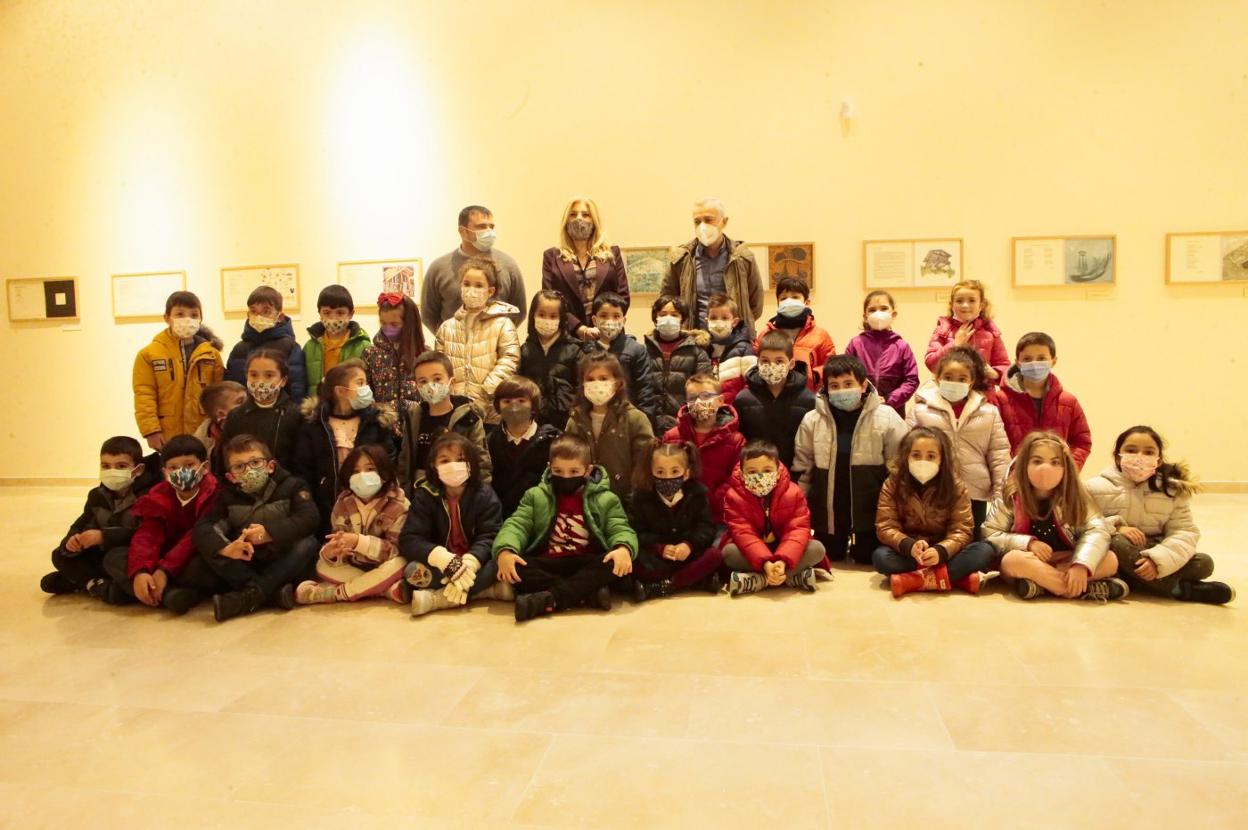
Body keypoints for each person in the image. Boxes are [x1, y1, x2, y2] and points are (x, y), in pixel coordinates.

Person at [492, 434, 638, 622]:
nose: (566, 477)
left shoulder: (606, 499)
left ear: (588, 470)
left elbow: (619, 527)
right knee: (518, 567)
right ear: (549, 468)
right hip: (549, 562)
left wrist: (623, 548)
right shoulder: (535, 496)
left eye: (574, 471)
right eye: (558, 471)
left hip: (585, 561)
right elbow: (517, 524)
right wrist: (505, 551)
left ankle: (548, 598)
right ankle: (584, 593)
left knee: (611, 563)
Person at [1086, 426, 1234, 604]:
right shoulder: (1094, 487)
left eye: (1148, 452)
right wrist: (1117, 527)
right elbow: (1081, 524)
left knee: (1204, 563)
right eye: (1131, 450)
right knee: (1117, 542)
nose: (1139, 457)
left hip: (1155, 549)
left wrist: (1158, 560)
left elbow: (1184, 531)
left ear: (1159, 459)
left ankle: (1138, 582)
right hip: (1116, 555)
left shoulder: (1171, 491)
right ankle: (1180, 589)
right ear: (1117, 455)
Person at [983, 432, 1127, 601]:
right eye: (1037, 461)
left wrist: (1081, 564)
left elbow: (1097, 530)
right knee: (1011, 561)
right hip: (1031, 560)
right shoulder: (1010, 497)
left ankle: (1044, 586)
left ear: (1065, 467)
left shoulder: (1076, 497)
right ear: (1024, 465)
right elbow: (990, 534)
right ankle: (1077, 589)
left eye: (1055, 462)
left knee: (1111, 559)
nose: (1046, 468)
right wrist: (1027, 543)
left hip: (1066, 559)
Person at [794, 355, 908, 564]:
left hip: (870, 511)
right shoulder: (812, 420)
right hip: (828, 513)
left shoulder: (887, 417)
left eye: (848, 384)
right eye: (834, 385)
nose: (841, 390)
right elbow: (803, 467)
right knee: (830, 556)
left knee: (866, 557)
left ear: (863, 385)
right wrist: (800, 505)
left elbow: (899, 466)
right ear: (826, 388)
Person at [194, 434, 319, 621]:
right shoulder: (226, 497)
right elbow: (205, 527)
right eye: (239, 466)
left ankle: (249, 596)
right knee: (209, 550)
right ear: (230, 477)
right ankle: (269, 594)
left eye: (255, 462)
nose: (249, 470)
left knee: (307, 543)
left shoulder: (293, 485)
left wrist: (268, 533)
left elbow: (309, 519)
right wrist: (226, 548)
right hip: (247, 560)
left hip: (282, 559)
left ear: (270, 466)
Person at [99, 435, 221, 613]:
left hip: (191, 556)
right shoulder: (158, 496)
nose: (181, 472)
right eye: (173, 467)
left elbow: (195, 538)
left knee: (202, 567)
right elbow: (148, 535)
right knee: (114, 556)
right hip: (162, 557)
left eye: (189, 465)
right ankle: (170, 595)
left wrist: (164, 570)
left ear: (205, 467)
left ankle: (135, 591)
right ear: (164, 473)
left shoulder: (215, 494)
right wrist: (141, 571)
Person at [873, 427, 997, 597]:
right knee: (881, 557)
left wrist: (941, 550)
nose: (923, 461)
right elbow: (885, 526)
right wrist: (909, 545)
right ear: (906, 456)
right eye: (916, 455)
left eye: (931, 456)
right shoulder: (893, 484)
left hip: (946, 552)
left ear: (942, 459)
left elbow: (962, 529)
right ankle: (954, 578)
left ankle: (915, 580)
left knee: (985, 550)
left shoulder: (956, 486)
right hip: (910, 553)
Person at [401, 433, 512, 616]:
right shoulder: (425, 495)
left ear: (471, 463)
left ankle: (439, 599)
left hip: (476, 563)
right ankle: (484, 591)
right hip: (443, 565)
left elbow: (491, 535)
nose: (453, 465)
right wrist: (443, 559)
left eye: (460, 459)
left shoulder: (484, 494)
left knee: (500, 562)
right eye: (445, 461)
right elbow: (409, 539)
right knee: (412, 571)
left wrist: (470, 562)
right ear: (433, 465)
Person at [40, 436, 162, 597]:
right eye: (106, 466)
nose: (112, 471)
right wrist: (72, 542)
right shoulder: (97, 495)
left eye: (121, 466)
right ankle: (97, 584)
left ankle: (89, 583)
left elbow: (147, 535)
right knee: (59, 555)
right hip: (103, 552)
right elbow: (81, 523)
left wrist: (104, 537)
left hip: (129, 554)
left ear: (138, 469)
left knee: (114, 559)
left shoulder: (150, 496)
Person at [908, 346, 1010, 532]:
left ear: (971, 382)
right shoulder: (920, 411)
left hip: (975, 493)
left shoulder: (990, 413)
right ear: (938, 379)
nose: (955, 382)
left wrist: (999, 496)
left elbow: (999, 455)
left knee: (971, 546)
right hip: (932, 491)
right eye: (948, 377)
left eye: (962, 379)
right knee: (937, 544)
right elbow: (906, 453)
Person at [295, 444, 411, 606]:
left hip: (386, 565)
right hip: (355, 567)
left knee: (401, 562)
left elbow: (395, 551)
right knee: (322, 564)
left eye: (370, 469)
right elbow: (337, 540)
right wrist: (330, 552)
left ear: (383, 473)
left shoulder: (399, 504)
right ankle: (384, 590)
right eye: (355, 472)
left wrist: (359, 542)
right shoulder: (343, 503)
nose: (362, 475)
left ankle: (336, 594)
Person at [294, 359, 399, 528]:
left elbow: (389, 458)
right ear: (341, 391)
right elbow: (304, 467)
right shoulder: (315, 425)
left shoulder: (375, 422)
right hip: (327, 503)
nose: (367, 389)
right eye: (360, 383)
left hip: (370, 501)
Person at [721, 440, 825, 596]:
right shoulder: (733, 496)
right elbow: (742, 533)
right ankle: (792, 577)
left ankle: (759, 581)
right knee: (729, 552)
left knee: (817, 549)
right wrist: (765, 563)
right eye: (752, 472)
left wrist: (783, 561)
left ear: (778, 471)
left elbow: (797, 529)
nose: (760, 476)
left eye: (767, 470)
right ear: (742, 474)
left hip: (785, 550)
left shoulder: (794, 492)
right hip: (753, 552)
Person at [626, 440, 722, 600]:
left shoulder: (697, 494)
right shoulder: (640, 498)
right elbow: (636, 533)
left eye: (674, 471)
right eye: (660, 472)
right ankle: (694, 580)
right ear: (651, 472)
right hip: (657, 557)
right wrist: (660, 548)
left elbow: (706, 528)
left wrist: (689, 545)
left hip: (688, 554)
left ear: (686, 473)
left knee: (714, 555)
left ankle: (666, 586)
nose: (667, 477)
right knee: (633, 560)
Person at [132, 290, 225, 451]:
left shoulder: (211, 354)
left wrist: (218, 427)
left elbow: (218, 394)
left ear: (200, 319)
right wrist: (151, 431)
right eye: (180, 314)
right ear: (167, 318)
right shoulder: (149, 355)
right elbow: (144, 395)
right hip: (167, 432)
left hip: (202, 430)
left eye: (194, 315)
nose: (187, 319)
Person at [434, 257, 521, 426]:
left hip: (490, 408)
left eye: (479, 285)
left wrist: (485, 391)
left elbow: (510, 359)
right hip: (454, 407)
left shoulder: (503, 324)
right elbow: (439, 365)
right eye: (466, 284)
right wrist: (451, 393)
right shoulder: (447, 327)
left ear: (490, 291)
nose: (471, 290)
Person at [660, 197, 763, 334]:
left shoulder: (743, 257)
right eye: (697, 222)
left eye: (708, 220)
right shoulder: (681, 258)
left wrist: (733, 324)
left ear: (724, 222)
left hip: (735, 338)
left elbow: (755, 305)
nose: (703, 226)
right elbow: (667, 299)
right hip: (693, 338)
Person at [991, 332, 1092, 469]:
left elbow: (1082, 442)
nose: (1034, 363)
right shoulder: (1000, 401)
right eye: (1027, 359)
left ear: (1053, 361)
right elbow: (992, 446)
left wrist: (1067, 471)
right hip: (1013, 483)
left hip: (1056, 483)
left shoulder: (1069, 402)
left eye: (1041, 358)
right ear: (1018, 363)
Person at [564, 351, 654, 499]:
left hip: (623, 500)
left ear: (617, 383)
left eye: (603, 378)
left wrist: (633, 498)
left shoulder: (635, 419)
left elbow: (644, 465)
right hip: (584, 499)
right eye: (590, 379)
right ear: (582, 384)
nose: (596, 384)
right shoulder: (576, 420)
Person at [422, 204, 525, 331]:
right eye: (481, 226)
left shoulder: (509, 265)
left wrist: (500, 337)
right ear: (462, 231)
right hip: (452, 347)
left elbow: (519, 311)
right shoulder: (439, 268)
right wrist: (448, 338)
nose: (489, 231)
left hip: (497, 349)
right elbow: (428, 315)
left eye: (491, 227)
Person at [397, 351, 490, 491]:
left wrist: (480, 495)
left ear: (451, 382)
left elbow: (482, 462)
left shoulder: (468, 417)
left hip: (458, 490)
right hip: (420, 492)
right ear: (416, 386)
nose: (430, 386)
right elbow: (405, 460)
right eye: (423, 381)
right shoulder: (413, 417)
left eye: (437, 379)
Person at [661, 373, 744, 525]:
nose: (699, 402)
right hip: (680, 515)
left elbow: (736, 479)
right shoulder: (671, 437)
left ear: (720, 401)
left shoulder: (736, 440)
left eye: (706, 396)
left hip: (718, 516)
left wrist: (710, 498)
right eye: (692, 398)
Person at [541, 197, 629, 336]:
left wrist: (604, 324)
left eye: (585, 214)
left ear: (594, 221)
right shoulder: (551, 256)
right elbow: (550, 301)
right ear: (566, 221)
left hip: (608, 336)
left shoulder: (613, 254)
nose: (579, 218)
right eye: (573, 214)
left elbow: (622, 296)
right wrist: (579, 329)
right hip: (568, 338)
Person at [733, 329, 816, 470]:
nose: (772, 366)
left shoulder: (807, 400)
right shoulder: (743, 399)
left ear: (791, 364)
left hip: (794, 474)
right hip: (756, 474)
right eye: (765, 361)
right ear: (758, 362)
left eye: (779, 361)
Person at [487, 377, 561, 517]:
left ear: (533, 405)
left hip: (540, 516)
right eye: (507, 401)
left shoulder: (552, 441)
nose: (514, 407)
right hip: (500, 518)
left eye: (521, 401)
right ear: (498, 406)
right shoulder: (490, 442)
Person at [582, 291, 659, 423]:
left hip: (628, 421)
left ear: (624, 320)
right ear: (595, 320)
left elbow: (645, 390)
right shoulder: (585, 352)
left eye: (616, 316)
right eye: (604, 316)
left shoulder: (636, 350)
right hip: (594, 419)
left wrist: (643, 422)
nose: (610, 321)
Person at [222, 349, 303, 474]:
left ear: (283, 380)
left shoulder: (296, 415)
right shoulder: (236, 416)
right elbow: (225, 457)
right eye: (254, 375)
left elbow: (302, 462)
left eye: (269, 375)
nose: (260, 381)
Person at [518, 290, 587, 429]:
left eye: (553, 316)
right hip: (533, 422)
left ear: (562, 319)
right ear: (533, 316)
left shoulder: (575, 350)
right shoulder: (524, 350)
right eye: (542, 314)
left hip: (566, 422)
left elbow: (582, 387)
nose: (547, 320)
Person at [224, 285, 308, 400]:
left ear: (280, 316)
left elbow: (297, 388)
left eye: (266, 311)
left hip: (281, 413)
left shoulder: (290, 347)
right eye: (253, 311)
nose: (259, 316)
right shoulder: (239, 349)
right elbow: (231, 387)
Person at [844, 290, 919, 417]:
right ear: (865, 316)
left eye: (884, 309)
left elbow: (911, 380)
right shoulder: (856, 344)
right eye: (872, 310)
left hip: (893, 411)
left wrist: (889, 399)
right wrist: (862, 398)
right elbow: (846, 375)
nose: (878, 313)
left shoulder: (902, 346)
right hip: (860, 410)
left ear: (893, 314)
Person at [754, 277, 834, 391]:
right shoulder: (765, 334)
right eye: (783, 298)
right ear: (778, 304)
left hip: (809, 399)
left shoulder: (821, 335)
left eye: (795, 297)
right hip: (772, 397)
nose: (789, 301)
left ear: (806, 302)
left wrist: (814, 376)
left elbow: (831, 368)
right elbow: (754, 365)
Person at [644, 295, 711, 432]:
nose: (668, 318)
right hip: (650, 424)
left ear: (683, 319)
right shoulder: (643, 350)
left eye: (674, 315)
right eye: (663, 314)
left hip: (684, 425)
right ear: (655, 318)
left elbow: (704, 391)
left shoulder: (697, 352)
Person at [924, 280, 1008, 387]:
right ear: (952, 305)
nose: (965, 305)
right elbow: (931, 364)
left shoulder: (991, 332)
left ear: (981, 305)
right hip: (950, 395)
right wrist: (955, 344)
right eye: (959, 301)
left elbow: (1005, 367)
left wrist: (995, 373)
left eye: (972, 300)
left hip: (982, 395)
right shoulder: (943, 330)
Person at [362, 291, 426, 423]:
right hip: (383, 426)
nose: (387, 329)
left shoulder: (423, 355)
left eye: (394, 324)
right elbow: (367, 395)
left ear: (409, 324)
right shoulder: (371, 354)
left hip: (415, 425)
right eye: (383, 323)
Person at [304, 284, 370, 392]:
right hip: (318, 406)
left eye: (340, 312)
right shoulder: (310, 347)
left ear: (351, 313)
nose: (333, 318)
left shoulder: (363, 346)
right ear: (319, 313)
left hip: (349, 404)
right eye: (327, 312)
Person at [702, 292, 756, 405]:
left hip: (736, 409)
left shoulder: (744, 348)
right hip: (708, 410)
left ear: (734, 322)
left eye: (725, 318)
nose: (719, 322)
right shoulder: (702, 348)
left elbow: (752, 382)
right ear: (707, 321)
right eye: (713, 317)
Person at [192, 380, 246, 475]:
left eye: (248, 400)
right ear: (221, 414)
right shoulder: (201, 447)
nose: (248, 405)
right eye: (240, 402)